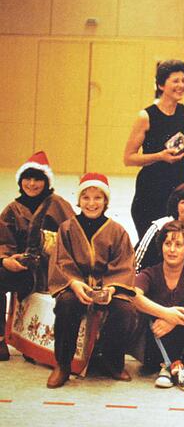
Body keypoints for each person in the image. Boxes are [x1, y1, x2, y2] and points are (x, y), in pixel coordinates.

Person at [46, 173, 137, 388]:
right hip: (75, 284)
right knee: (67, 304)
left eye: (98, 198)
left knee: (126, 310)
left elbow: (125, 263)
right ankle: (63, 364)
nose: (92, 203)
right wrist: (75, 283)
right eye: (86, 197)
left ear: (106, 201)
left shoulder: (117, 231)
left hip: (107, 286)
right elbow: (61, 261)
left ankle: (111, 360)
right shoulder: (67, 228)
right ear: (78, 200)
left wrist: (111, 289)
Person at [0, 152, 75, 360]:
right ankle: (0, 340)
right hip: (23, 270)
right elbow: (3, 241)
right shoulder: (12, 210)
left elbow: (74, 238)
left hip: (54, 272)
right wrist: (6, 260)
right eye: (27, 178)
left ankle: (38, 343)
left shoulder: (58, 205)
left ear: (46, 181)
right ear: (20, 181)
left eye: (38, 179)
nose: (32, 184)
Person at [133, 220, 184, 392]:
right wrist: (165, 314)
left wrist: (173, 320)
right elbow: (133, 296)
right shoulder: (150, 272)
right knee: (152, 305)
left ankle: (169, 366)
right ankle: (175, 366)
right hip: (153, 347)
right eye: (167, 243)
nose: (171, 249)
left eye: (178, 245)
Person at [124, 59, 184, 237]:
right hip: (151, 189)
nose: (181, 85)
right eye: (175, 81)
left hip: (179, 186)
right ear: (161, 85)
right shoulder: (146, 116)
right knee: (152, 245)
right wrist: (160, 156)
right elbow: (129, 158)